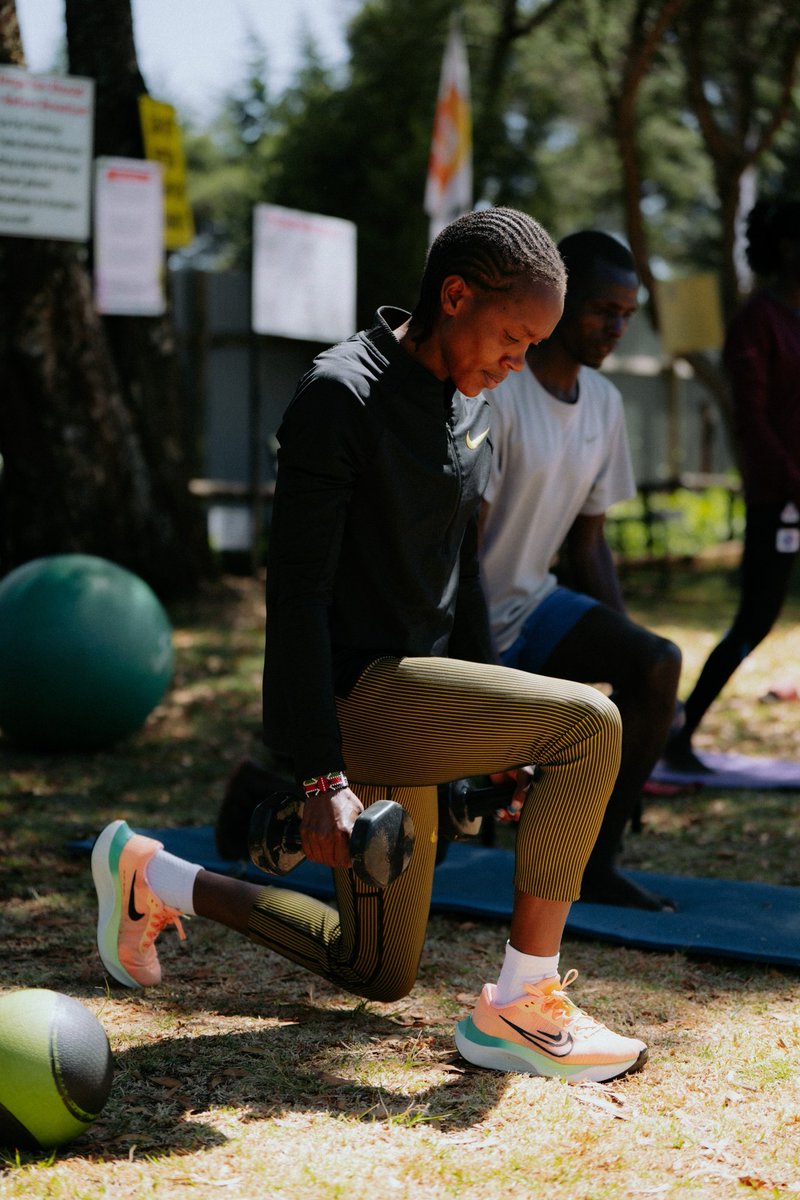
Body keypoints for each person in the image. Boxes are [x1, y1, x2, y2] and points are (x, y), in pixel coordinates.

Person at [91, 207, 647, 1084]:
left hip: (423, 697)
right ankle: (522, 1006)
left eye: (534, 342)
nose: (519, 360)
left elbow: (458, 575)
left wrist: (487, 738)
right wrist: (318, 774)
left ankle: (155, 876)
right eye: (512, 336)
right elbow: (297, 598)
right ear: (455, 295)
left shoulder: (477, 406)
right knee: (591, 723)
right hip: (362, 695)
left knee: (375, 970)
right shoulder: (339, 398)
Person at [478, 230, 682, 911]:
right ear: (559, 302)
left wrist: (634, 657)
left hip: (533, 606)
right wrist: (481, 671)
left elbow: (588, 546)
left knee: (657, 663)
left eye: (627, 312)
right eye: (602, 308)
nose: (617, 326)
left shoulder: (605, 403)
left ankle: (596, 863)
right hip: (458, 621)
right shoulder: (499, 390)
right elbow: (454, 546)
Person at [665, 199, 800, 772]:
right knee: (756, 618)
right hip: (781, 503)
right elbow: (751, 419)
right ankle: (679, 732)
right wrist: (792, 487)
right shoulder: (757, 320)